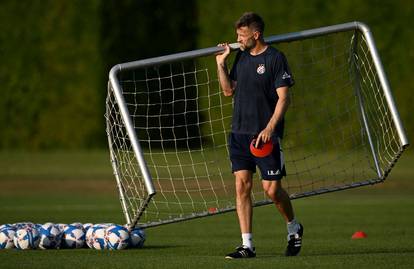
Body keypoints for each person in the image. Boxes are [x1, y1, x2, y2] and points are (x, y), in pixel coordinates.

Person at [216, 12, 303, 258]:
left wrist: (270, 128)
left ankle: (293, 227)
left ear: (256, 35)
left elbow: (284, 98)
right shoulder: (241, 57)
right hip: (239, 134)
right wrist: (221, 65)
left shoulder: (276, 58)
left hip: (266, 137)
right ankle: (247, 245)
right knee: (242, 187)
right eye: (237, 36)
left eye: (242, 36)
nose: (238, 41)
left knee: (272, 190)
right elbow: (227, 91)